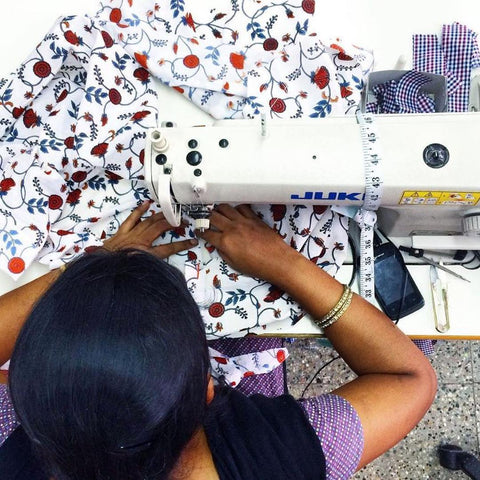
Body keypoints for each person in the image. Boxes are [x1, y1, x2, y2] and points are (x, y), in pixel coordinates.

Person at [0, 202, 437, 480]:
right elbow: (409, 377)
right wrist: (284, 263)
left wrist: (93, 272)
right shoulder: (275, 463)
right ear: (210, 387)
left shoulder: (7, 447)